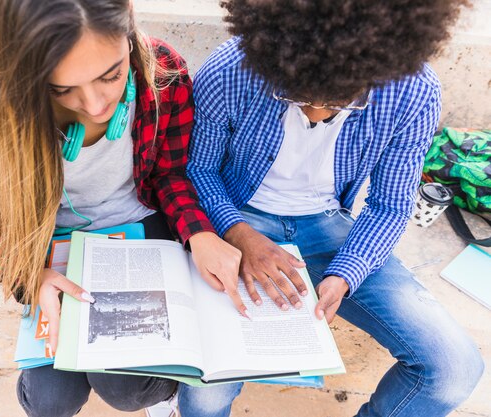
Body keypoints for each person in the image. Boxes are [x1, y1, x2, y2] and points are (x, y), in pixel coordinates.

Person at [186, 1, 484, 416]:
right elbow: (199, 169)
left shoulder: (412, 92)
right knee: (205, 391)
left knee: (453, 370)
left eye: (340, 101)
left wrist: (347, 273)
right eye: (299, 94)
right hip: (236, 219)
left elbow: (390, 205)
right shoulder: (231, 69)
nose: (317, 111)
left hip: (329, 227)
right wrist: (238, 233)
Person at [0, 1, 246, 416]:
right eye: (61, 89)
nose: (93, 105)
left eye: (111, 76)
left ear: (129, 25)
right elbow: (1, 226)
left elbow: (170, 176)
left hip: (140, 225)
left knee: (128, 390)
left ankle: (163, 396)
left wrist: (201, 233)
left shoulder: (162, 72)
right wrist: (30, 276)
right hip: (49, 245)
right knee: (51, 401)